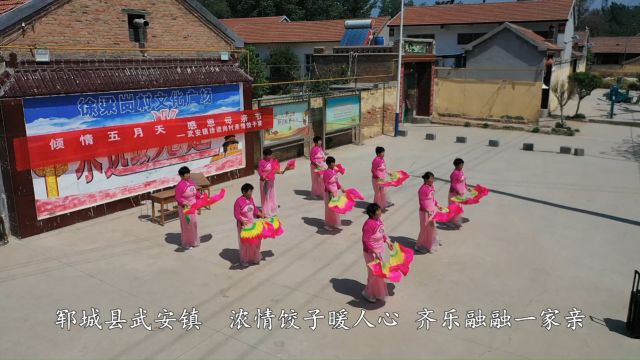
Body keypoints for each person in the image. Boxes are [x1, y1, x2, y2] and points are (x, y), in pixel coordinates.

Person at [361, 202, 394, 303]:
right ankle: (368, 293)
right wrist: (374, 251)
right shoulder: (368, 224)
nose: (380, 212)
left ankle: (377, 292)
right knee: (373, 274)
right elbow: (365, 241)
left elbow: (381, 233)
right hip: (371, 253)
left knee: (379, 274)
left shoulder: (378, 220)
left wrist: (387, 241)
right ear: (372, 213)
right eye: (378, 210)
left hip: (380, 251)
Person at [234, 183, 266, 266]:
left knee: (254, 242)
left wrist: (261, 214)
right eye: (250, 191)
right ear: (244, 192)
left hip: (252, 225)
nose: (251, 193)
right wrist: (242, 221)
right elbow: (236, 214)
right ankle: (244, 260)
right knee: (245, 244)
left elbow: (254, 210)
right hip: (243, 226)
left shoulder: (251, 199)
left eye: (251, 191)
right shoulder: (238, 201)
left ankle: (254, 257)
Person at [415, 172, 445, 254]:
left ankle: (432, 241)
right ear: (426, 179)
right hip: (425, 212)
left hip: (432, 211)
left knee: (432, 227)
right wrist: (427, 211)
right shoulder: (422, 190)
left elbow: (432, 199)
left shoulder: (431, 187)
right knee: (424, 229)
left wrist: (438, 205)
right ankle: (418, 245)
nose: (432, 180)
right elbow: (421, 202)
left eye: (433, 178)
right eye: (431, 179)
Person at [175, 166, 202, 250]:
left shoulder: (191, 181)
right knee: (187, 225)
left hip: (193, 207)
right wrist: (184, 203)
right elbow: (177, 198)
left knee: (194, 224)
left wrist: (201, 196)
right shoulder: (179, 185)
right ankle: (186, 243)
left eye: (188, 173)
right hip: (185, 208)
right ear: (182, 176)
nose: (188, 175)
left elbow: (195, 192)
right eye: (186, 174)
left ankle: (194, 241)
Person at [258, 149, 285, 217]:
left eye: (271, 155)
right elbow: (260, 171)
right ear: (264, 155)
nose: (270, 156)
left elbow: (274, 169)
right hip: (264, 181)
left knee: (272, 194)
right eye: (269, 155)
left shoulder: (271, 161)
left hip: (271, 180)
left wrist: (279, 172)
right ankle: (266, 211)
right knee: (265, 196)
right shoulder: (261, 162)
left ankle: (272, 208)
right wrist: (263, 176)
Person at [322, 156, 345, 231]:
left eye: (334, 162)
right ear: (328, 164)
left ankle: (334, 223)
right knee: (329, 209)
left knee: (335, 208)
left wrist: (341, 188)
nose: (334, 164)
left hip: (335, 192)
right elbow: (325, 184)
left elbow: (336, 181)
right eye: (332, 163)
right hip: (329, 193)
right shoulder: (326, 172)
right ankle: (328, 224)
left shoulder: (334, 171)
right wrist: (330, 192)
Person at [448, 158, 472, 229]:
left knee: (459, 208)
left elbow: (463, 180)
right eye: (461, 165)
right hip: (454, 194)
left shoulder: (461, 171)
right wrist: (458, 192)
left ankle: (456, 221)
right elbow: (453, 184)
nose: (462, 166)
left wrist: (467, 188)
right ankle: (451, 221)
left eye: (462, 164)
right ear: (456, 165)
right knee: (454, 208)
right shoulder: (454, 174)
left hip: (460, 193)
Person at [371, 146, 391, 211]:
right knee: (377, 193)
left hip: (381, 178)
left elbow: (383, 168)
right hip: (376, 179)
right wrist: (378, 176)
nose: (384, 154)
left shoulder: (382, 159)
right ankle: (376, 206)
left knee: (382, 191)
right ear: (378, 153)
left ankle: (381, 205)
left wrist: (388, 173)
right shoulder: (376, 160)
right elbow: (373, 170)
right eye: (382, 152)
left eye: (384, 152)